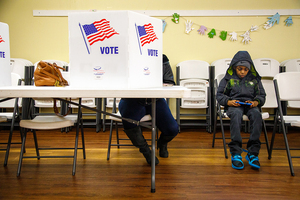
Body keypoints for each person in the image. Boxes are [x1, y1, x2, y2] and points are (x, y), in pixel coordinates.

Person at [118, 54, 178, 165]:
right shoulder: (127, 57)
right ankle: (146, 151)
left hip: (155, 99)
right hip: (131, 99)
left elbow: (169, 81)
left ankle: (162, 143)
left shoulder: (162, 58)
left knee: (173, 129)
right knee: (129, 124)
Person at [216, 51, 266, 170]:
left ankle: (253, 153)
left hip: (250, 105)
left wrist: (255, 102)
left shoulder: (255, 80)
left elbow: (262, 96)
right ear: (234, 68)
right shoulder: (227, 79)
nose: (242, 72)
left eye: (245, 69)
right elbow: (219, 95)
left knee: (257, 115)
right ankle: (236, 152)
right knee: (236, 115)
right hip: (234, 105)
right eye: (239, 69)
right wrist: (228, 102)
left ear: (249, 69)